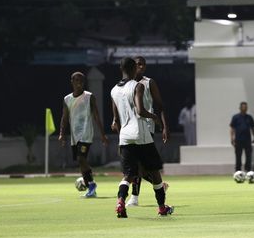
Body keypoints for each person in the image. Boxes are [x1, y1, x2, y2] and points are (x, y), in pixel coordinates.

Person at [110, 57, 173, 218]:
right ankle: (161, 207)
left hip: (125, 137)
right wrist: (155, 118)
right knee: (155, 172)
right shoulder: (137, 86)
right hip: (141, 134)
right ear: (133, 69)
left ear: (121, 69)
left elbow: (115, 119)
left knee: (129, 175)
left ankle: (120, 202)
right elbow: (140, 110)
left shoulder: (113, 90)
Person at [126, 56, 169, 207]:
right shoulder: (126, 85)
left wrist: (164, 126)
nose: (141, 67)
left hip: (147, 127)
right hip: (130, 129)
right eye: (138, 64)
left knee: (139, 165)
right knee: (141, 167)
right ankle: (159, 186)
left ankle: (134, 197)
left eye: (143, 64)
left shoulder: (148, 82)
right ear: (132, 66)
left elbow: (160, 106)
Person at [58, 71, 108, 198]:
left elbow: (96, 116)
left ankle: (91, 185)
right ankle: (90, 186)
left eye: (81, 81)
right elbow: (64, 118)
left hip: (86, 134)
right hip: (74, 136)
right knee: (80, 162)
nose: (79, 83)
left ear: (84, 82)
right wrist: (61, 134)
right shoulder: (67, 99)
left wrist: (102, 135)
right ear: (72, 82)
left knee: (81, 158)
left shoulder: (89, 96)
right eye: (76, 80)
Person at [230, 102, 254, 172]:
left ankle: (248, 169)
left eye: (246, 107)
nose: (244, 108)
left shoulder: (249, 117)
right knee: (238, 155)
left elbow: (252, 128)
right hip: (238, 139)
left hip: (247, 139)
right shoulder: (235, 117)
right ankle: (238, 170)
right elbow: (232, 128)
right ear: (240, 108)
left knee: (248, 155)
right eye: (243, 107)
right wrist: (232, 138)